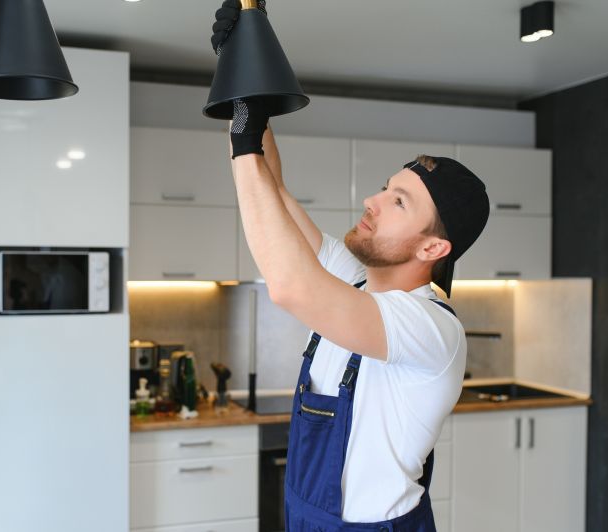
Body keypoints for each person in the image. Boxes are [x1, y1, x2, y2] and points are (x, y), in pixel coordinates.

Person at [210, 3, 490, 531]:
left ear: (433, 249)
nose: (373, 201)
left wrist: (244, 138)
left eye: (399, 202)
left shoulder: (429, 327)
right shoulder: (354, 280)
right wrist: (239, 65)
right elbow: (270, 187)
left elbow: (291, 287)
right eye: (387, 188)